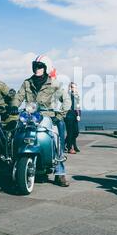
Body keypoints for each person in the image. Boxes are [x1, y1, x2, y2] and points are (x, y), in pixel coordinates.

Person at [12, 55, 71, 187]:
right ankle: (13, 160)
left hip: (47, 116)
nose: (37, 69)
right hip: (28, 115)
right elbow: (18, 96)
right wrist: (14, 106)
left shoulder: (54, 83)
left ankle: (60, 173)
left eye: (40, 66)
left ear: (46, 68)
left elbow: (66, 100)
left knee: (57, 141)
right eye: (35, 66)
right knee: (16, 133)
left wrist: (61, 114)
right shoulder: (27, 82)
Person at [65, 82, 81, 154]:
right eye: (72, 87)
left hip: (75, 115)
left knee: (76, 132)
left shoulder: (77, 96)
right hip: (68, 115)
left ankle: (65, 143)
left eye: (74, 87)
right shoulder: (68, 95)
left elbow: (78, 107)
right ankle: (70, 148)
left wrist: (79, 115)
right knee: (70, 132)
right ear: (70, 88)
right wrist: (68, 92)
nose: (73, 89)